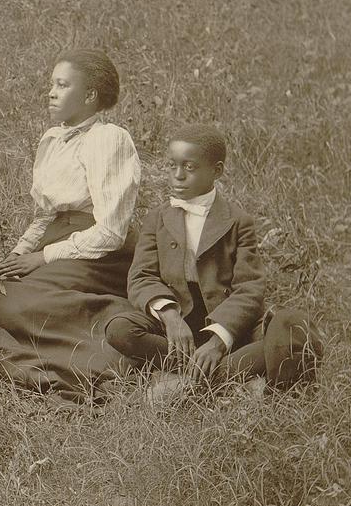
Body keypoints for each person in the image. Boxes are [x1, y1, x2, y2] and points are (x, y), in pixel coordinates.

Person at [106, 123, 324, 406]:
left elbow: (249, 288)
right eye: (172, 166)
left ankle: (194, 382)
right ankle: (229, 380)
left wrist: (219, 341)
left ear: (216, 171)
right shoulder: (157, 218)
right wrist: (171, 317)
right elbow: (141, 276)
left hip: (227, 328)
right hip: (178, 330)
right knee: (119, 329)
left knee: (292, 326)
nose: (177, 176)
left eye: (190, 167)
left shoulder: (238, 221)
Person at [0, 49, 140, 401]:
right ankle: (46, 357)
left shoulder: (108, 139)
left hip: (99, 254)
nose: (51, 92)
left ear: (90, 95)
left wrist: (41, 258)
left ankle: (107, 352)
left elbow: (111, 231)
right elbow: (44, 217)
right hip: (55, 245)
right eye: (52, 84)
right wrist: (16, 256)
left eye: (62, 85)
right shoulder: (52, 140)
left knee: (10, 304)